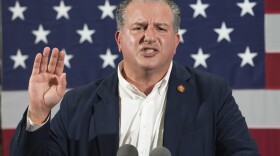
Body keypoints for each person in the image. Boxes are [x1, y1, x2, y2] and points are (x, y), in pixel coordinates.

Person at [10, 0, 260, 155]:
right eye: (139, 27)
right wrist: (39, 112)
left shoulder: (212, 93)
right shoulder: (78, 103)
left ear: (176, 41)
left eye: (160, 28)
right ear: (119, 40)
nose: (149, 36)